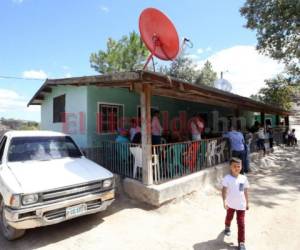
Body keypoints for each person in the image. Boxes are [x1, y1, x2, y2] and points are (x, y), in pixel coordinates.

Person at [222, 158, 249, 250]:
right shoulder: (227, 178)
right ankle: (227, 226)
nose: (237, 168)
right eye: (234, 166)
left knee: (241, 224)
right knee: (229, 217)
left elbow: (244, 191)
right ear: (230, 167)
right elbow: (224, 190)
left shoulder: (243, 178)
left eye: (239, 166)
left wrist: (247, 202)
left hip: (241, 205)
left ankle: (241, 242)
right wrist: (224, 201)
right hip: (230, 204)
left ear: (241, 167)